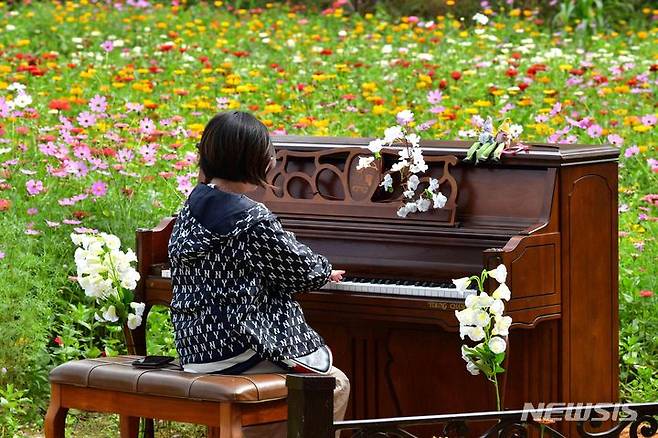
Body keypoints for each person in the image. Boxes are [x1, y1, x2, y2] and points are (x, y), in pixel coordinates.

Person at [168, 111, 350, 437]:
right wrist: (325, 271)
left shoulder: (191, 204)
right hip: (235, 350)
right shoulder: (250, 216)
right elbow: (298, 269)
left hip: (196, 350)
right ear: (255, 160)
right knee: (333, 384)